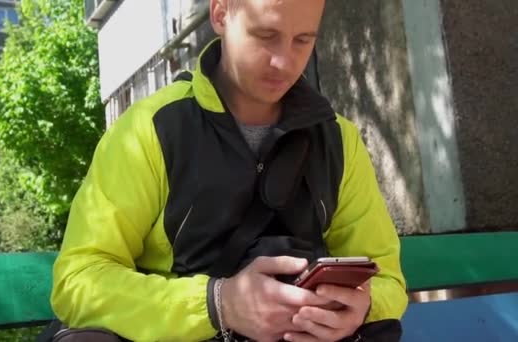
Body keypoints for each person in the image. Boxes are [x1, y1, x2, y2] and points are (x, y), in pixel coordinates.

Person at [49, 0, 408, 341]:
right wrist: (218, 303)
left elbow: (387, 278)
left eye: (303, 40)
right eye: (266, 36)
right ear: (220, 14)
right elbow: (78, 282)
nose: (284, 62)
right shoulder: (149, 130)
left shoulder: (339, 140)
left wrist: (361, 305)